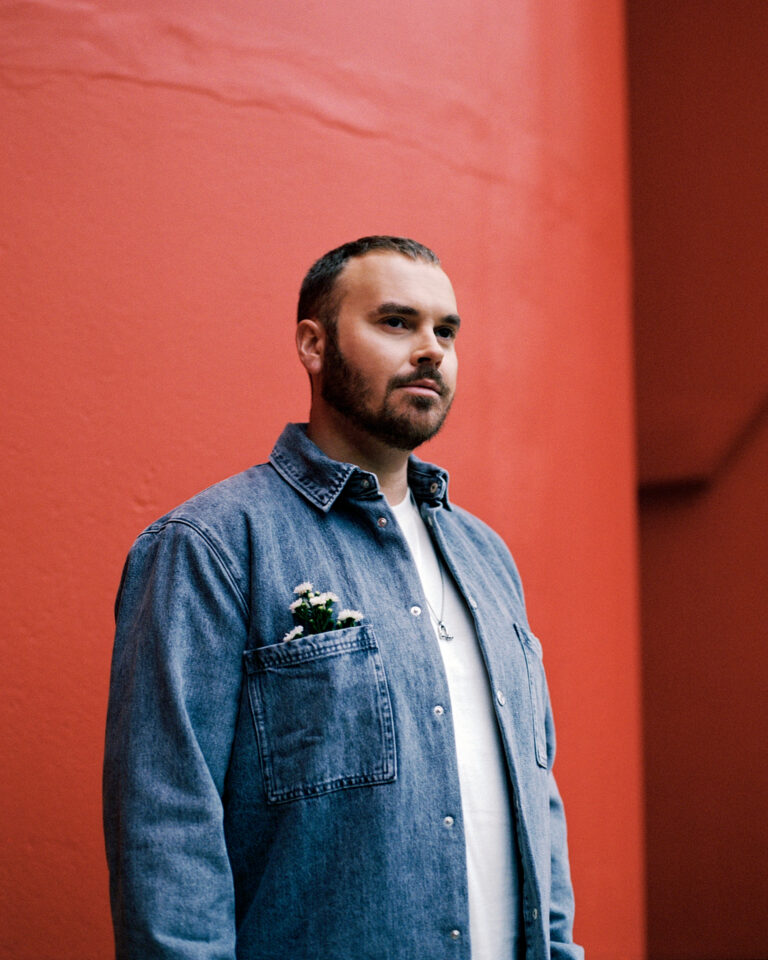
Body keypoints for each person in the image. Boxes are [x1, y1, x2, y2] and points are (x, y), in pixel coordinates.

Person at [103, 236, 583, 960]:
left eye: (445, 331)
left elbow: (538, 798)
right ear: (313, 344)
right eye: (397, 322)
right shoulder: (211, 547)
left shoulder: (487, 558)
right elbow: (166, 826)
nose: (431, 350)